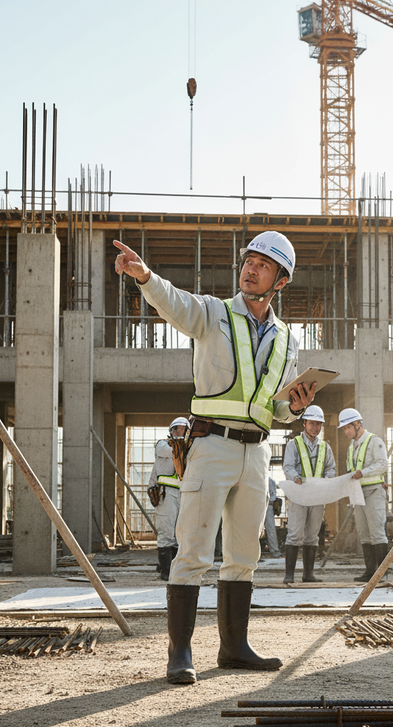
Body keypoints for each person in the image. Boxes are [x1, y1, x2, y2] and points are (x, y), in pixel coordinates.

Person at [113, 231, 316, 685]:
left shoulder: (286, 339)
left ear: (280, 281)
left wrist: (296, 406)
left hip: (256, 453)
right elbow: (174, 303)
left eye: (263, 265)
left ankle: (234, 648)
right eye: (249, 261)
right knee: (194, 551)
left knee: (244, 554)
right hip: (211, 447)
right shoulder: (214, 314)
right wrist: (144, 276)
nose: (250, 269)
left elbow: (277, 409)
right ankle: (180, 652)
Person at [281, 404, 336, 583]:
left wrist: (328, 478)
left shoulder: (325, 447)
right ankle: (289, 575)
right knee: (295, 534)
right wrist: (294, 477)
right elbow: (288, 466)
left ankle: (308, 574)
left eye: (319, 424)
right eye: (312, 423)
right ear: (304, 423)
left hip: (317, 496)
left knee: (312, 535)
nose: (315, 428)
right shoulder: (293, 444)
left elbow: (330, 468)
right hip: (299, 494)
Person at [339, 407, 389, 583]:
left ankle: (382, 574)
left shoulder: (374, 441)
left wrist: (363, 472)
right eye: (344, 429)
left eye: (348, 427)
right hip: (358, 494)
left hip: (374, 491)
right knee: (364, 534)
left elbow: (383, 464)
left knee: (377, 533)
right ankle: (370, 572)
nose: (346, 431)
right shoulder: (351, 447)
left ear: (358, 424)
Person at [146, 417, 189, 581]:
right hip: (166, 494)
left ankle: (175, 568)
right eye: (177, 429)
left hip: (183, 494)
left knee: (180, 533)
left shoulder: (187, 449)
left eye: (183, 429)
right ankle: (166, 570)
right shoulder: (162, 445)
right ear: (171, 431)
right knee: (167, 532)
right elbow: (174, 451)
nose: (180, 432)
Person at [261, 476, 281, 558]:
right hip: (255, 506)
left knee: (271, 528)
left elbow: (273, 495)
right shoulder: (252, 478)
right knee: (253, 528)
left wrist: (267, 502)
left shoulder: (270, 481)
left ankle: (275, 550)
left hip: (268, 506)